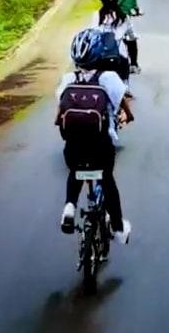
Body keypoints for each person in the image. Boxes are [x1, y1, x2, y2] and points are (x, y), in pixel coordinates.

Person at [55, 29, 133, 244]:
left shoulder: (68, 79)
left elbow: (60, 105)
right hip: (100, 145)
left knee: (75, 171)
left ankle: (70, 205)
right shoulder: (109, 78)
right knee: (107, 179)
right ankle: (118, 229)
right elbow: (118, 105)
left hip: (73, 145)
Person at [94, 0, 131, 83]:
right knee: (125, 62)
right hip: (118, 52)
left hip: (100, 51)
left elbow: (93, 31)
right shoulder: (123, 17)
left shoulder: (97, 15)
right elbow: (129, 34)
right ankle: (125, 86)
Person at [110, 0, 141, 73]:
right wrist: (137, 12)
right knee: (132, 40)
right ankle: (133, 64)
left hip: (110, 22)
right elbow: (135, 10)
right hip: (124, 22)